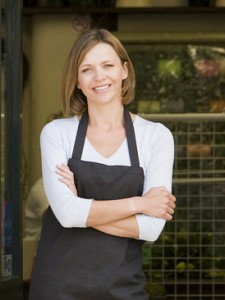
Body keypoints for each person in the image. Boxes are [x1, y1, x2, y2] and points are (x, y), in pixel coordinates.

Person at [29, 28, 176, 300]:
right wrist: (140, 204)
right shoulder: (57, 133)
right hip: (57, 287)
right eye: (87, 69)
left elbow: (151, 228)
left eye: (108, 65)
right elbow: (66, 215)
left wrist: (82, 207)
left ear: (124, 70)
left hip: (122, 287)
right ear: (77, 80)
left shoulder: (155, 136)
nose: (99, 77)